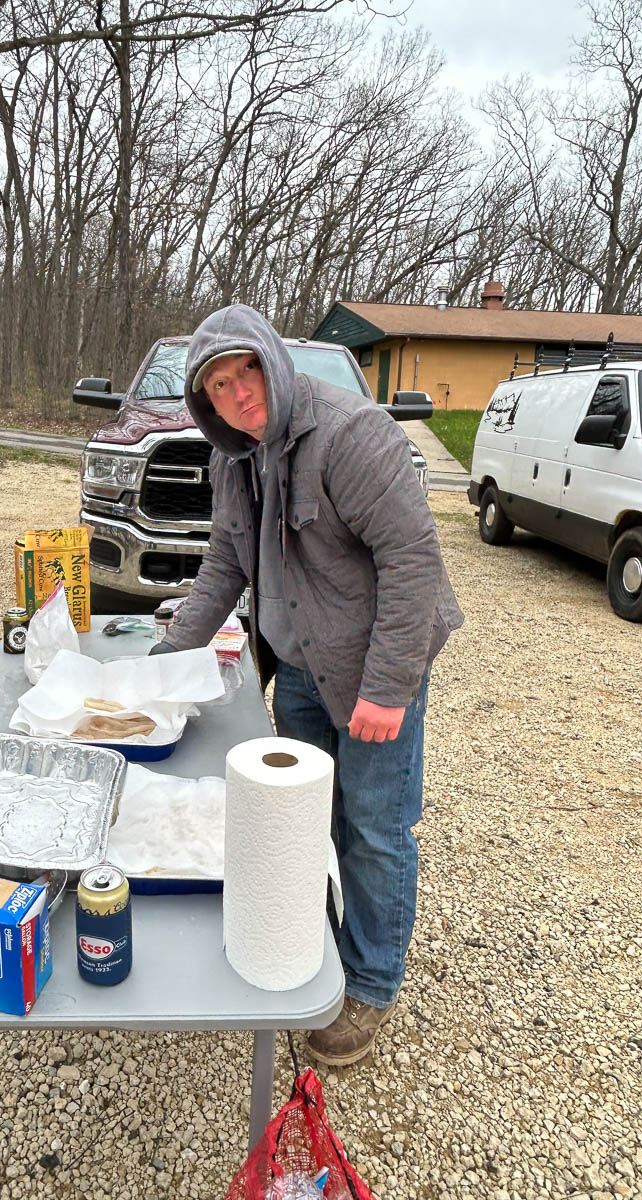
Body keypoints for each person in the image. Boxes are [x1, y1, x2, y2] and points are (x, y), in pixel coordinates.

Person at [151, 304, 463, 1066]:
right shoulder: (233, 459)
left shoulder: (353, 435)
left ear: (273, 362)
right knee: (303, 821)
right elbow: (225, 566)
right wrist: (161, 662)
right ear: (204, 400)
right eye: (219, 385)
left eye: (247, 371)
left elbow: (413, 561)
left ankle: (371, 983)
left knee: (374, 830)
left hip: (371, 670)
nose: (239, 394)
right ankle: (314, 940)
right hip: (298, 668)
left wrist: (387, 689)